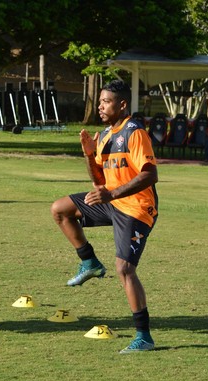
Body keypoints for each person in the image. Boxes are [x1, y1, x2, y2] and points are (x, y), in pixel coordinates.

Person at [51, 80, 159, 353]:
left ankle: (143, 336)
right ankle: (89, 262)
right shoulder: (105, 135)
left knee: (125, 269)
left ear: (122, 104)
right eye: (99, 101)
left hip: (136, 208)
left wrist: (111, 195)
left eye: (106, 102)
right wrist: (89, 154)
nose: (99, 106)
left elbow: (149, 174)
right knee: (60, 209)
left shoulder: (135, 133)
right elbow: (99, 179)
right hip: (112, 201)